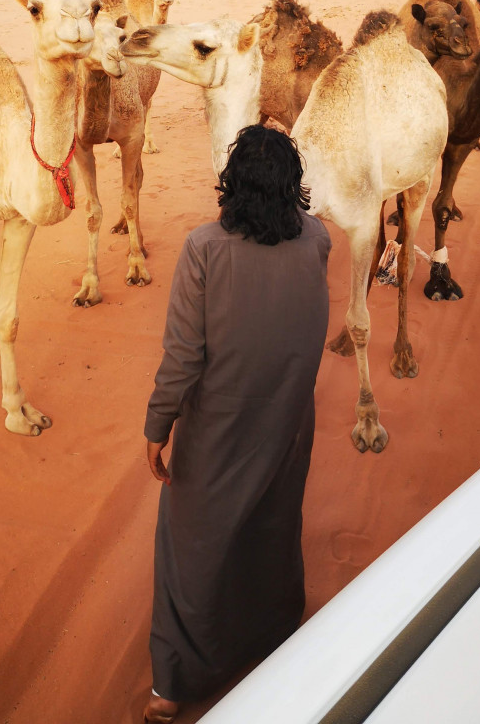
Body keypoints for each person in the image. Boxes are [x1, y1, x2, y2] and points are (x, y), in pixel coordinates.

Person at [143, 125, 332, 724]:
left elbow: (183, 356)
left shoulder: (203, 248)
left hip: (219, 424)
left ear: (232, 185)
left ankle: (172, 685)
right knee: (272, 524)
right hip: (287, 419)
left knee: (189, 543)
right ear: (292, 186)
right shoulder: (318, 239)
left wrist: (157, 425)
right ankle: (271, 637)